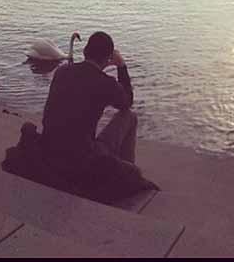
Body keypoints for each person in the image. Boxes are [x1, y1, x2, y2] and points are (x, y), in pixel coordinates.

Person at [39, 31, 155, 199]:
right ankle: (126, 171)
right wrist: (121, 67)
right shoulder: (105, 83)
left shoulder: (62, 72)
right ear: (108, 58)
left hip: (50, 149)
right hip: (80, 158)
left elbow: (83, 84)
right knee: (129, 116)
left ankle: (121, 167)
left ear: (85, 51)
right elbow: (127, 102)